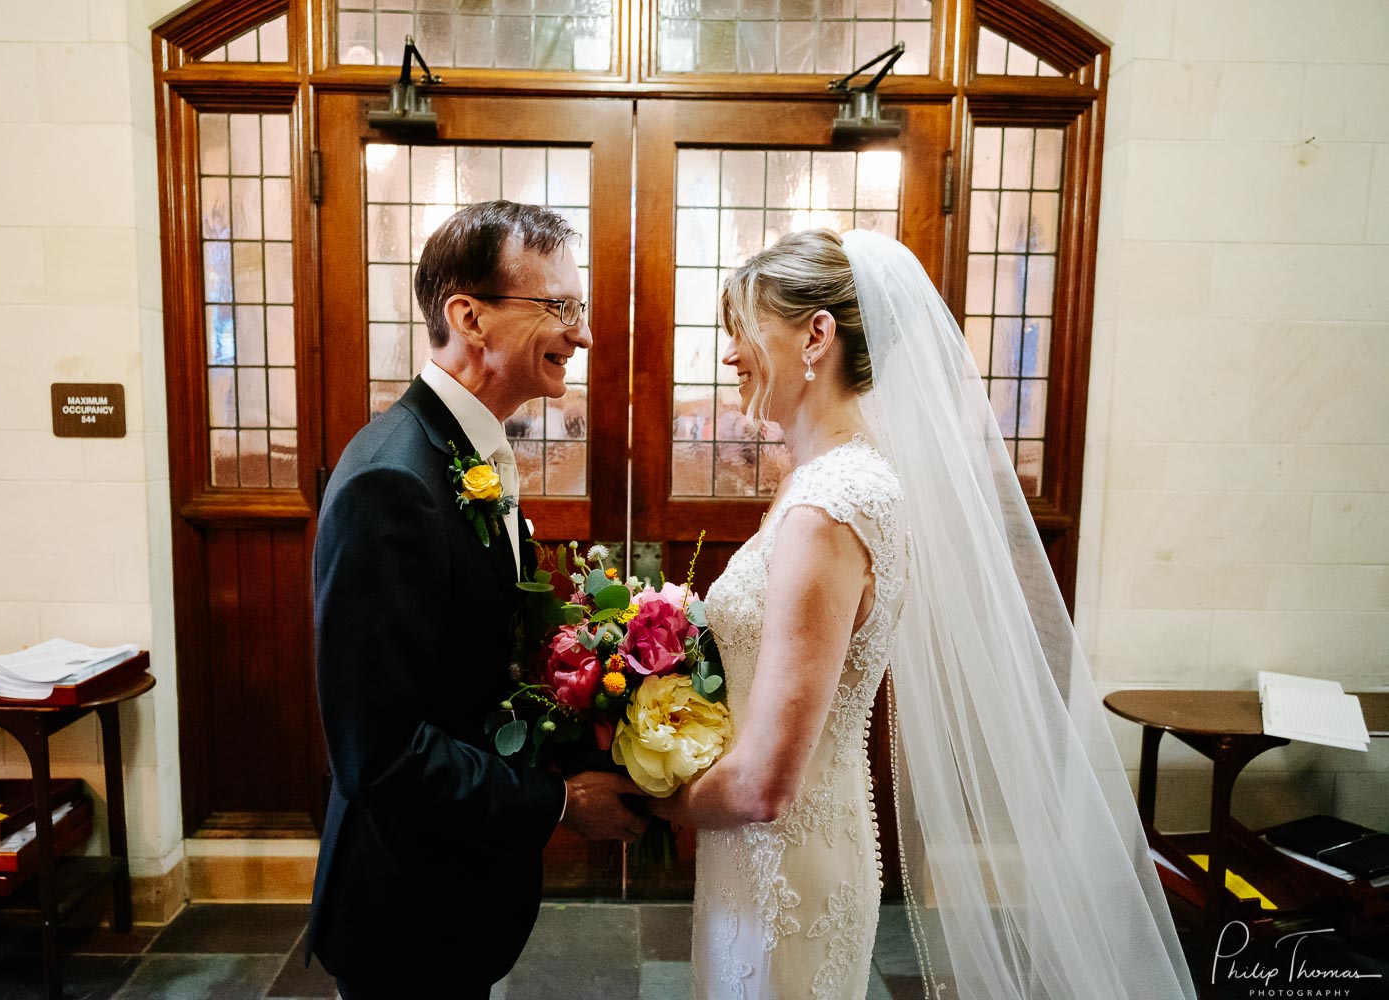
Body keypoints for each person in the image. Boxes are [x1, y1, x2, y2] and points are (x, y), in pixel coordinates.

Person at [653, 229, 1197, 1000]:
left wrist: (647, 801)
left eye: (743, 329)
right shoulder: (835, 478)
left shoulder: (828, 509)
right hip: (776, 848)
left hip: (784, 860)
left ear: (816, 334)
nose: (731, 354)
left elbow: (767, 784)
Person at [307, 201, 647, 1000]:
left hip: (451, 900)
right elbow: (380, 756)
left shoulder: (468, 450)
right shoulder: (394, 479)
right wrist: (558, 801)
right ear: (470, 316)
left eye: (580, 309)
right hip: (405, 916)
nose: (584, 333)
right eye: (560, 307)